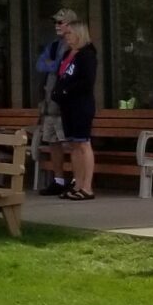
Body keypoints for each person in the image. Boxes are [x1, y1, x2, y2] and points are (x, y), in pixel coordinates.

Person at [52, 20, 100, 201]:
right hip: (67, 105)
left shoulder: (87, 55)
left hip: (81, 105)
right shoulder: (67, 54)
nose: (66, 37)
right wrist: (57, 92)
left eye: (69, 33)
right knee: (73, 145)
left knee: (83, 143)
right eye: (65, 34)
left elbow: (87, 81)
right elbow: (60, 76)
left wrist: (67, 90)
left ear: (79, 34)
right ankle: (77, 184)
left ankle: (87, 187)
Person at [33, 9, 79, 193]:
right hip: (50, 103)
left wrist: (56, 64)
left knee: (73, 143)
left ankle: (77, 180)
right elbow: (40, 65)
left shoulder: (76, 44)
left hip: (67, 104)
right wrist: (56, 64)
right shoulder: (53, 45)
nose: (57, 26)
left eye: (61, 22)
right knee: (53, 141)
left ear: (71, 24)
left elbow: (68, 67)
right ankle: (59, 180)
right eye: (56, 23)